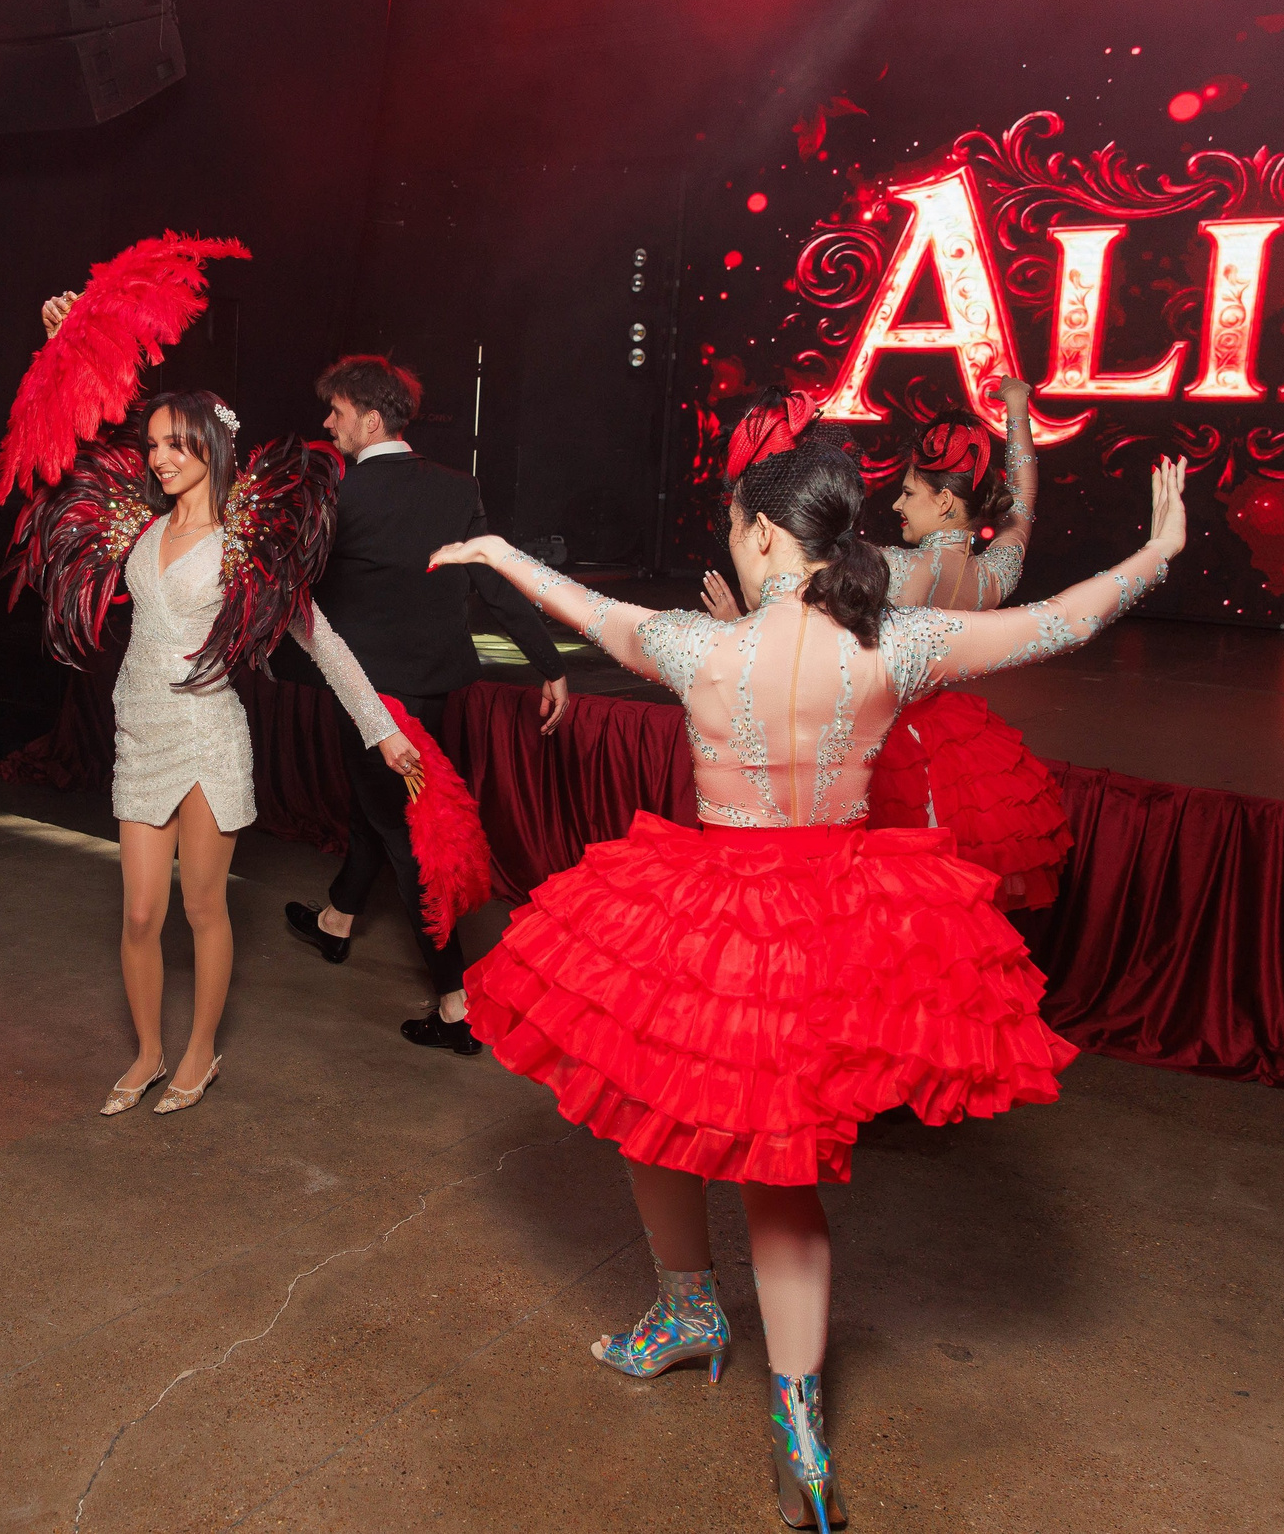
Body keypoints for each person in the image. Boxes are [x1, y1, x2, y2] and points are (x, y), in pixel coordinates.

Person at [430, 396, 1186, 1533]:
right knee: (774, 1175)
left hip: (709, 915)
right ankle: (792, 1426)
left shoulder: (697, 645)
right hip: (837, 917)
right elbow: (1062, 621)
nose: (729, 543)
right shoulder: (903, 642)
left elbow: (584, 608)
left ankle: (696, 1318)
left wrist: (494, 551)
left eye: (737, 528)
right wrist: (1160, 550)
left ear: (769, 538)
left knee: (648, 1103)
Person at [22, 295, 421, 1116]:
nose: (158, 457)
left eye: (174, 444)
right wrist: (72, 346)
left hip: (209, 738)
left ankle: (200, 1053)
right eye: (154, 445)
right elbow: (78, 437)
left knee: (203, 908)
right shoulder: (138, 525)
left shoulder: (250, 548)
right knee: (139, 914)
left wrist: (381, 731)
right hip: (142, 737)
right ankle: (147, 1053)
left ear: (209, 446)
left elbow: (324, 641)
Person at [276, 354, 570, 1058]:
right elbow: (493, 585)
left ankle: (455, 1002)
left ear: (369, 420)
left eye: (337, 412)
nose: (326, 424)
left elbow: (298, 595)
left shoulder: (337, 496)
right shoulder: (453, 487)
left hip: (369, 698)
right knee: (384, 811)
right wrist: (549, 662)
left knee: (410, 837)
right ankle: (339, 921)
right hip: (432, 691)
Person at [705, 376, 1068, 908]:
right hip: (958, 748)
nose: (897, 504)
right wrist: (1018, 407)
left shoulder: (896, 569)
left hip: (888, 742)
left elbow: (790, 604)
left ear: (944, 501)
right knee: (946, 906)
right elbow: (1025, 501)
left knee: (877, 901)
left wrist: (741, 619)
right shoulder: (993, 577)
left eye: (909, 492)